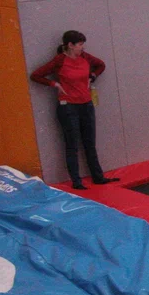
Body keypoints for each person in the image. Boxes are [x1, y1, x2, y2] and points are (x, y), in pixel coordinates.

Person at [29, 30, 119, 190]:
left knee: (89, 142)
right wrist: (54, 84)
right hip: (68, 106)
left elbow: (101, 65)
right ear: (70, 45)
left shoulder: (85, 57)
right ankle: (76, 181)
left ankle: (98, 177)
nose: (82, 48)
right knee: (72, 144)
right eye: (80, 45)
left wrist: (92, 76)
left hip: (86, 104)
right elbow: (36, 75)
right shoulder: (60, 60)